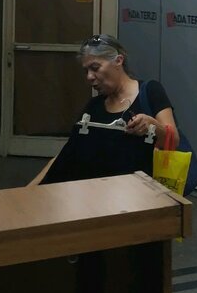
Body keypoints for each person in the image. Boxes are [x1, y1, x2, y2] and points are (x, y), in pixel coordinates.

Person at [38, 34, 180, 184]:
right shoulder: (94, 107)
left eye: (95, 68)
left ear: (118, 61)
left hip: (139, 192)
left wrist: (152, 125)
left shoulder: (150, 91)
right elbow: (66, 154)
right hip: (99, 191)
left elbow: (173, 141)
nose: (89, 77)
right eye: (86, 71)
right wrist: (31, 189)